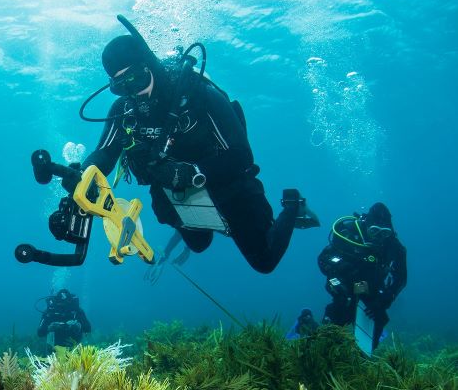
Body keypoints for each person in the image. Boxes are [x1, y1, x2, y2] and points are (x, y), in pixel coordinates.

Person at [71, 16, 319, 274]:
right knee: (199, 245)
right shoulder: (124, 110)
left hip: (228, 186)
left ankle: (293, 204)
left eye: (137, 80)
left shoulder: (197, 94)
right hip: (177, 194)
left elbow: (242, 155)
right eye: (122, 86)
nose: (133, 92)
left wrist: (191, 172)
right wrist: (80, 176)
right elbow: (105, 154)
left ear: (149, 66)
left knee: (264, 262)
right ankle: (200, 221)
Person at [317, 202, 407, 350]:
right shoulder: (349, 233)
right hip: (344, 288)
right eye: (374, 231)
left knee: (374, 325)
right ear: (366, 225)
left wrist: (385, 300)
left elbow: (401, 278)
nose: (379, 237)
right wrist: (340, 267)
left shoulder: (393, 246)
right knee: (337, 318)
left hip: (372, 293)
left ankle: (362, 354)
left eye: (384, 233)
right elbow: (323, 258)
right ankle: (324, 346)